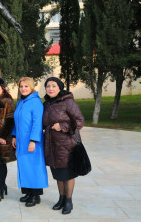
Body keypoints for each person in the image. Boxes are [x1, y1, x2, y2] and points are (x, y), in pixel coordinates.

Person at [42, 77, 85, 215]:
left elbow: (79, 121)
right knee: (58, 174)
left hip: (67, 144)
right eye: (48, 86)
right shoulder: (46, 104)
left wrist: (62, 126)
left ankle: (68, 201)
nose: (50, 88)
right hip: (51, 145)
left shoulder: (68, 102)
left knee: (67, 174)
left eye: (54, 86)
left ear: (60, 88)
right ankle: (61, 199)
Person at [12, 77, 48, 207]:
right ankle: (28, 192)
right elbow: (16, 121)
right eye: (21, 86)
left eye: (26, 86)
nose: (23, 89)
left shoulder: (36, 102)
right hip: (21, 141)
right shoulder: (21, 102)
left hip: (32, 142)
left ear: (31, 87)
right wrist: (14, 136)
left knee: (34, 168)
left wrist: (33, 141)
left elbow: (37, 123)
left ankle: (35, 195)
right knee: (24, 167)